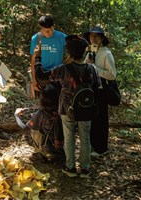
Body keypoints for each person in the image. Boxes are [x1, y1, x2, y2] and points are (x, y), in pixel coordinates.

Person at [49, 35, 100, 178]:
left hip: (67, 107)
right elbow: (97, 86)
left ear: (69, 53)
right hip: (85, 107)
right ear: (84, 52)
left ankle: (70, 166)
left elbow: (50, 77)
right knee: (85, 137)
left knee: (69, 136)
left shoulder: (62, 68)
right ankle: (85, 168)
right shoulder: (92, 69)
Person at [83, 26, 116, 156]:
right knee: (92, 119)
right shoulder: (91, 50)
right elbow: (86, 65)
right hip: (91, 90)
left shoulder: (106, 53)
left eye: (96, 36)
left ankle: (101, 149)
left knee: (101, 120)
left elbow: (112, 75)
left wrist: (94, 67)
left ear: (102, 38)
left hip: (102, 91)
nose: (93, 39)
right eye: (91, 36)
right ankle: (93, 146)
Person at [14, 84, 64, 161]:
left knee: (33, 128)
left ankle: (42, 152)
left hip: (49, 150)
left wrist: (16, 116)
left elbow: (24, 129)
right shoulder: (62, 110)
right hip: (62, 151)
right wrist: (26, 109)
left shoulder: (40, 114)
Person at [29, 15, 67, 98]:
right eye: (45, 31)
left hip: (57, 75)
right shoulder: (36, 38)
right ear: (40, 28)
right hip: (41, 74)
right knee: (43, 102)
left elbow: (70, 55)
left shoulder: (62, 37)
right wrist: (34, 81)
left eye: (50, 30)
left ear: (53, 26)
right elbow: (33, 61)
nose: (48, 33)